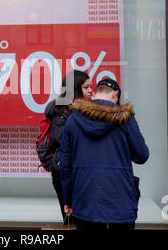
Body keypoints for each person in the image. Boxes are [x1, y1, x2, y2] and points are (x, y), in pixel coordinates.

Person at [60, 78, 149, 231]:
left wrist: (67, 199)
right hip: (120, 199)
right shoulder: (125, 119)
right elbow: (142, 155)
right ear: (115, 95)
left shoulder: (73, 119)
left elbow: (65, 165)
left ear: (94, 94)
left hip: (85, 198)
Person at [44, 70, 93, 225]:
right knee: (74, 220)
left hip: (78, 170)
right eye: (86, 87)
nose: (91, 90)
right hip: (67, 172)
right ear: (76, 90)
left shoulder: (83, 110)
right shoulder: (63, 112)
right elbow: (59, 142)